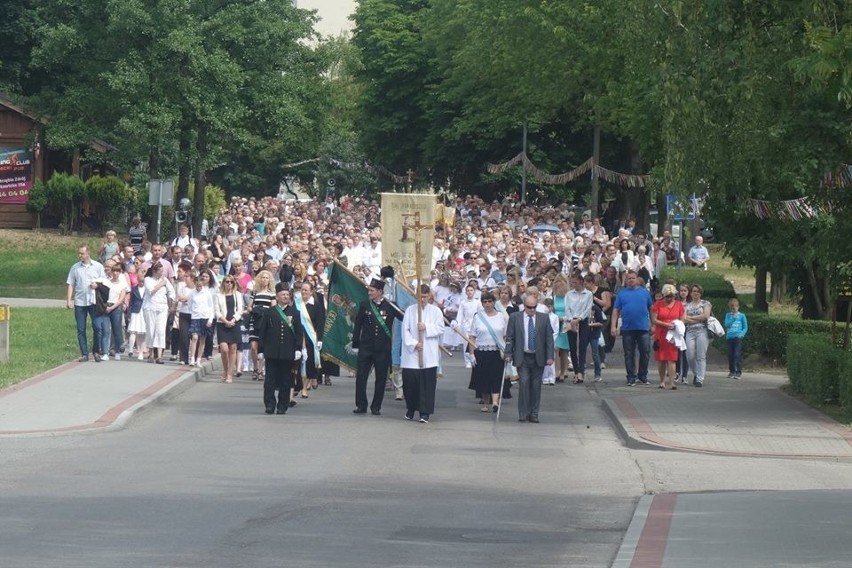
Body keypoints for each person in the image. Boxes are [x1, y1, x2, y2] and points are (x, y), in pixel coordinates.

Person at [351, 278, 404, 415]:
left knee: (380, 379)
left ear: (380, 292)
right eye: (369, 290)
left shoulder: (391, 306)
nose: (369, 292)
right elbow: (358, 325)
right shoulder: (365, 305)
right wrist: (356, 344)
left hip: (382, 349)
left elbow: (404, 317)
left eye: (372, 290)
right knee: (361, 378)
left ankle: (376, 407)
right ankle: (361, 405)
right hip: (366, 347)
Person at [504, 293, 554, 423]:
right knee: (524, 383)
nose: (532, 310)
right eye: (529, 307)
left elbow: (549, 338)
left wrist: (550, 356)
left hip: (539, 357)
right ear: (524, 306)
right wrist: (508, 354)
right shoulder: (515, 318)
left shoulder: (544, 318)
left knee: (536, 386)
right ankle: (523, 413)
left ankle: (534, 413)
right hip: (523, 356)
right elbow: (510, 337)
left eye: (534, 307)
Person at [401, 284, 446, 423]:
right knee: (410, 384)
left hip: (428, 353)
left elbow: (440, 328)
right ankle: (410, 408)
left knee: (426, 385)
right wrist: (414, 344)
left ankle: (424, 412)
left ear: (429, 297)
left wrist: (426, 327)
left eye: (425, 296)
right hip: (412, 354)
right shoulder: (410, 310)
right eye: (420, 296)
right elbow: (405, 330)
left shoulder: (436, 311)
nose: (423, 299)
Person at [257, 283, 304, 414]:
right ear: (277, 297)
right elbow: (263, 332)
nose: (285, 297)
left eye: (287, 294)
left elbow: (299, 333)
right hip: (271, 351)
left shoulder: (294, 313)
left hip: (287, 352)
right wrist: (261, 350)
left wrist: (298, 349)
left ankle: (283, 405)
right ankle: (270, 404)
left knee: (285, 380)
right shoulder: (269, 312)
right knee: (269, 380)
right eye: (282, 294)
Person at [468, 291, 508, 413]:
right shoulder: (478, 317)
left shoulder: (501, 316)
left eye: (490, 301)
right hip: (481, 351)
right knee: (484, 378)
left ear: (494, 302)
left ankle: (495, 402)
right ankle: (486, 403)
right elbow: (472, 337)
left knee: (496, 376)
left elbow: (506, 336)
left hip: (497, 351)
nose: (487, 304)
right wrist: (471, 353)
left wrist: (508, 351)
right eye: (484, 302)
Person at [611, 271, 653, 386]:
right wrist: (613, 326)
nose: (631, 280)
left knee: (645, 352)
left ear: (637, 279)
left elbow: (651, 309)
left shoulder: (645, 293)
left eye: (633, 278)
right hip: (627, 328)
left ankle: (643, 376)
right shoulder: (622, 294)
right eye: (629, 278)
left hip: (643, 328)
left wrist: (653, 324)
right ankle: (631, 377)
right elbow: (615, 310)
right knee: (629, 354)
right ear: (626, 280)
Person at [66, 245, 107, 362]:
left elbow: (104, 282)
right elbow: (71, 284)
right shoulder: (75, 267)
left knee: (97, 327)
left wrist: (97, 285)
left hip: (93, 302)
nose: (80, 255)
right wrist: (69, 300)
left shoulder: (98, 266)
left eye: (82, 253)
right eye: (79, 253)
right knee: (80, 328)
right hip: (80, 302)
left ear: (88, 253)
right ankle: (84, 353)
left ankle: (96, 351)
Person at [294, 279, 326, 397]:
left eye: (306, 290)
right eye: (302, 289)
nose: (304, 292)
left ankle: (304, 388)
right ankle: (297, 386)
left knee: (308, 363)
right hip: (297, 336)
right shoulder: (296, 303)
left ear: (311, 291)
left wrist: (320, 339)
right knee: (297, 363)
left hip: (310, 338)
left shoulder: (316, 305)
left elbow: (320, 323)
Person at [650, 284, 684, 389]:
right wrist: (666, 325)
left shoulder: (679, 305)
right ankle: (661, 381)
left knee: (672, 359)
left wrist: (678, 326)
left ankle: (672, 382)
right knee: (661, 359)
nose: (669, 298)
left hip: (674, 335)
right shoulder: (657, 304)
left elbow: (683, 318)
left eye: (671, 296)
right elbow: (654, 320)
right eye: (667, 296)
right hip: (661, 334)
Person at [142, 262, 175, 364]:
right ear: (154, 271)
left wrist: (171, 299)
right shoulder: (148, 280)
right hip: (150, 307)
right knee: (151, 330)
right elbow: (151, 291)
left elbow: (171, 291)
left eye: (162, 271)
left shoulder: (164, 280)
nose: (162, 273)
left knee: (160, 331)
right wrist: (161, 284)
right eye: (160, 271)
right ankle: (151, 353)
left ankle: (160, 355)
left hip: (162, 307)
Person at [564, 272, 593, 384]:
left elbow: (588, 309)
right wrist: (572, 320)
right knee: (572, 347)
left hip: (583, 320)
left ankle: (581, 371)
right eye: (572, 283)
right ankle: (576, 371)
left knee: (582, 346)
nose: (573, 285)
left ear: (581, 282)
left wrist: (579, 319)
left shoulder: (588, 294)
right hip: (571, 320)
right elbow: (567, 308)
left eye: (575, 282)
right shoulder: (569, 294)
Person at [215, 275, 245, 382]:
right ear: (223, 283)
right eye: (227, 282)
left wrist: (233, 320)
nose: (229, 284)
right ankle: (225, 370)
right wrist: (225, 321)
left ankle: (230, 374)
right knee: (224, 349)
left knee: (233, 349)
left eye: (231, 282)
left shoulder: (237, 295)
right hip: (222, 323)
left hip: (234, 323)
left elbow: (240, 309)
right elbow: (217, 311)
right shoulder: (219, 295)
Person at [683, 284, 712, 387]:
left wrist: (691, 318)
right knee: (689, 355)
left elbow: (706, 315)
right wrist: (697, 318)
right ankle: (696, 373)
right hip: (690, 331)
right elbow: (684, 319)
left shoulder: (705, 303)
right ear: (691, 293)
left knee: (701, 356)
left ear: (701, 293)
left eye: (698, 291)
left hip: (702, 331)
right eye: (694, 291)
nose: (696, 293)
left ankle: (700, 378)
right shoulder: (686, 305)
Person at [187, 272, 216, 371]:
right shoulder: (192, 293)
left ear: (202, 284)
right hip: (195, 317)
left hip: (205, 317)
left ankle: (198, 359)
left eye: (200, 285)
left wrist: (210, 319)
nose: (199, 287)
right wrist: (193, 313)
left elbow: (211, 307)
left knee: (202, 339)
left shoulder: (207, 293)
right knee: (195, 337)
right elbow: (190, 305)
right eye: (197, 285)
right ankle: (192, 358)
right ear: (195, 284)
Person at [725, 298, 748, 380]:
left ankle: (738, 371)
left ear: (738, 307)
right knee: (730, 355)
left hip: (738, 337)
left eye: (735, 307)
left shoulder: (742, 316)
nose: (733, 309)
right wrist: (733, 318)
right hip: (730, 337)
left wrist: (741, 334)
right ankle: (732, 371)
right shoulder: (728, 315)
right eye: (731, 307)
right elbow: (727, 325)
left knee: (737, 354)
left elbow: (745, 327)